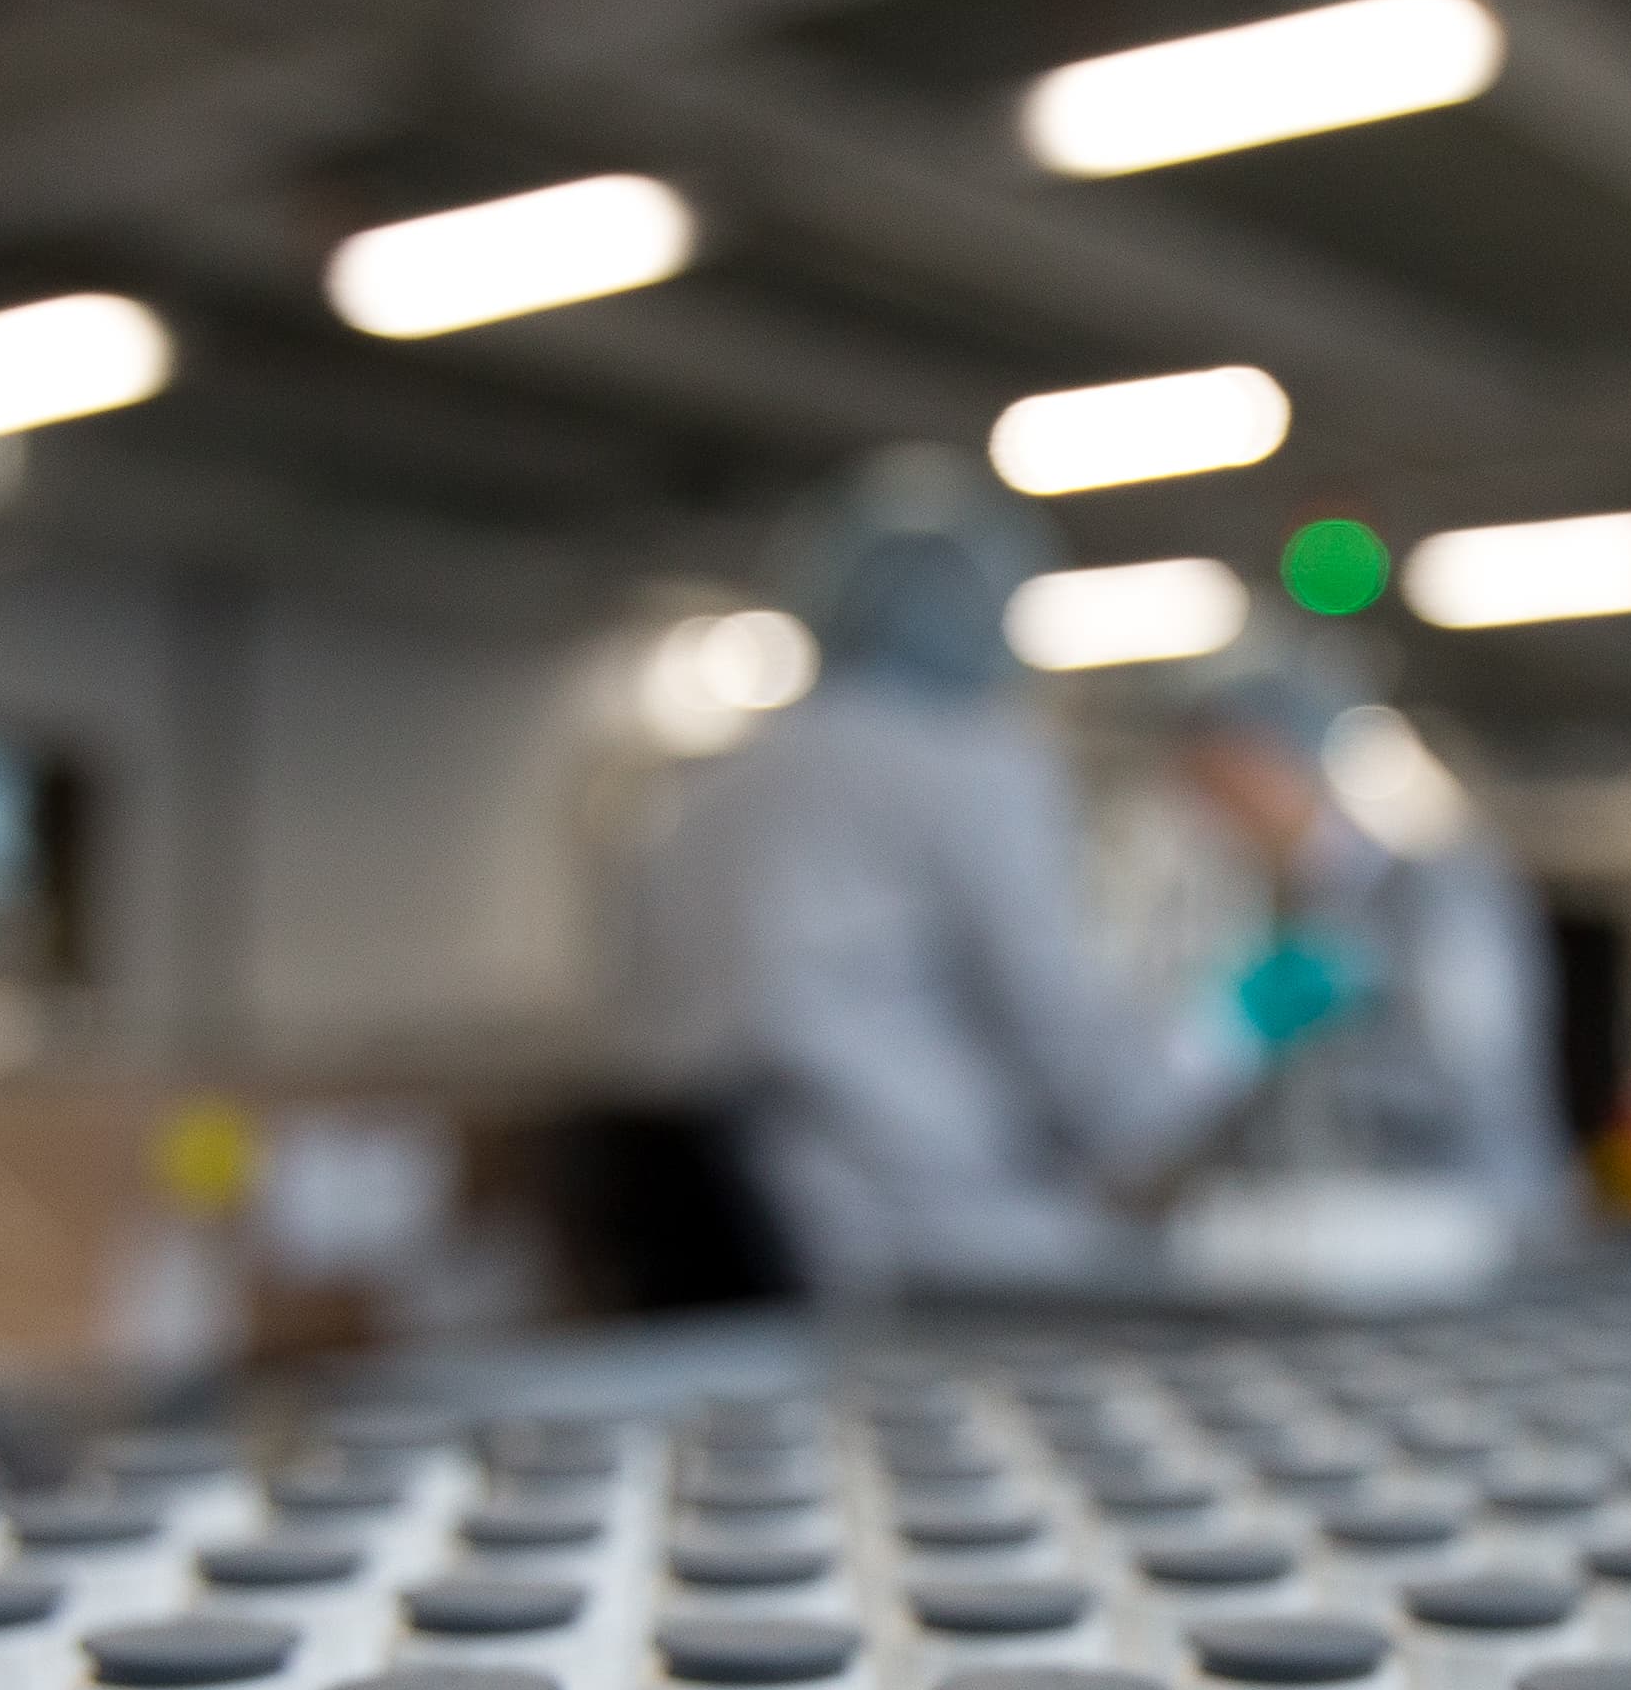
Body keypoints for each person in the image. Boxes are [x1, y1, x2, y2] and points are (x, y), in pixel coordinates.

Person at [627, 452, 1301, 1297]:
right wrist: (1222, 1028)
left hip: (735, 1250)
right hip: (940, 1241)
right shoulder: (972, 769)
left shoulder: (701, 792)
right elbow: (1085, 1074)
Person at [1160, 658, 1577, 1238]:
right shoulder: (1285, 908)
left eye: (1216, 783)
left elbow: (1479, 1071)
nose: (1206, 815)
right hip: (1352, 1232)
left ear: (1266, 762)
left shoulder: (1435, 889)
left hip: (1474, 1220)